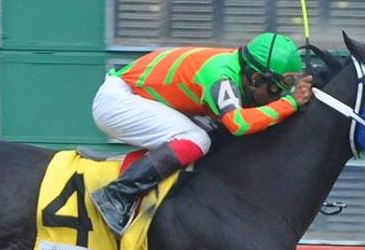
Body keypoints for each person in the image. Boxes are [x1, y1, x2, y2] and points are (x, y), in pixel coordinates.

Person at [90, 33, 314, 236]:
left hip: (137, 96)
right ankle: (116, 195)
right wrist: (290, 102)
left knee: (211, 134)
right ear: (255, 78)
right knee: (198, 139)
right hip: (117, 102)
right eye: (274, 90)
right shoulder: (220, 75)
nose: (275, 98)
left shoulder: (236, 70)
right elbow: (239, 124)